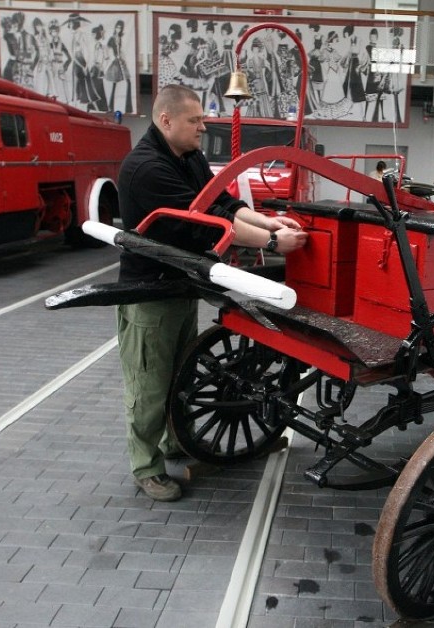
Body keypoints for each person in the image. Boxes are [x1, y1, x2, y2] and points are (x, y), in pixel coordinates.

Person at [117, 84, 307, 501]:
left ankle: (172, 444)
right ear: (166, 120)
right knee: (149, 386)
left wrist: (270, 223)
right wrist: (271, 245)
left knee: (178, 376)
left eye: (202, 119)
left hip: (181, 286)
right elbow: (200, 224)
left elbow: (221, 203)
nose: (204, 126)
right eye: (195, 120)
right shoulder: (146, 168)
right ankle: (146, 467)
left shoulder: (189, 157)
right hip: (149, 293)